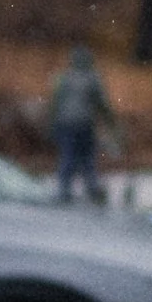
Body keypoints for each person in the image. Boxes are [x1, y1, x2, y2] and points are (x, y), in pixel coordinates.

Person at [47, 43, 116, 203]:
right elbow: (102, 104)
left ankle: (64, 188)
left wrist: (52, 124)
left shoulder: (63, 77)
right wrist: (111, 123)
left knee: (68, 154)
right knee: (86, 156)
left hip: (65, 122)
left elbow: (54, 103)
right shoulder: (92, 78)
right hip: (84, 123)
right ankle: (91, 187)